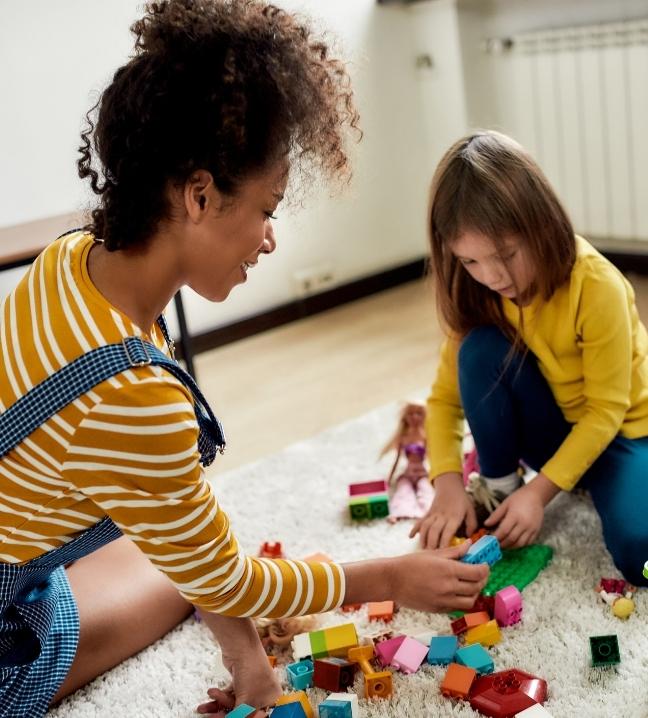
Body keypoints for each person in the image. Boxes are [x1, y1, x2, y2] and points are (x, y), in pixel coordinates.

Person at [0, 2, 489, 717]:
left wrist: (248, 661)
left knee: (178, 548)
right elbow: (231, 581)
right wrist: (391, 574)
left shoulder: (71, 262)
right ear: (199, 194)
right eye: (267, 208)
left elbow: (188, 536)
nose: (268, 239)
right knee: (188, 574)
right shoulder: (133, 396)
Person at [410, 130, 648, 589]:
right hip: (554, 428)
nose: (493, 276)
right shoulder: (478, 292)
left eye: (505, 255)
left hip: (623, 434)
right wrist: (447, 484)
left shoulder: (596, 284)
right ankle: (500, 486)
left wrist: (541, 493)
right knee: (480, 350)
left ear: (541, 224)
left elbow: (605, 411)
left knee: (640, 555)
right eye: (471, 262)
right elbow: (443, 401)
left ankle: (571, 486)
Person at [380, 402, 434, 522]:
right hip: (407, 473)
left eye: (418, 413)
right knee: (402, 491)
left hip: (422, 473)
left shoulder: (425, 436)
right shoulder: (403, 437)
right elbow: (396, 460)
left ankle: (427, 512)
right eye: (410, 414)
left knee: (426, 491)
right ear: (405, 417)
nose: (414, 417)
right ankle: (397, 512)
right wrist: (389, 479)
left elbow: (431, 457)